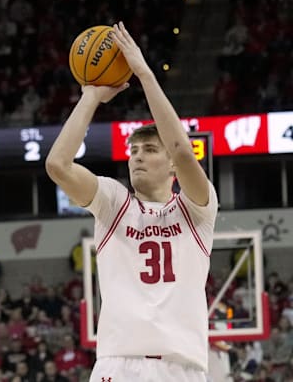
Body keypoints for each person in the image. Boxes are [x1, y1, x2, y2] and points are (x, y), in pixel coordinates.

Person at [45, 22, 218, 381]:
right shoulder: (114, 201)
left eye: (149, 149)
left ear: (169, 163)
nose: (137, 157)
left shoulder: (197, 209)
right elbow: (58, 166)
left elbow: (183, 153)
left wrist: (144, 74)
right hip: (118, 365)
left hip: (181, 368)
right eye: (133, 150)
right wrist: (90, 96)